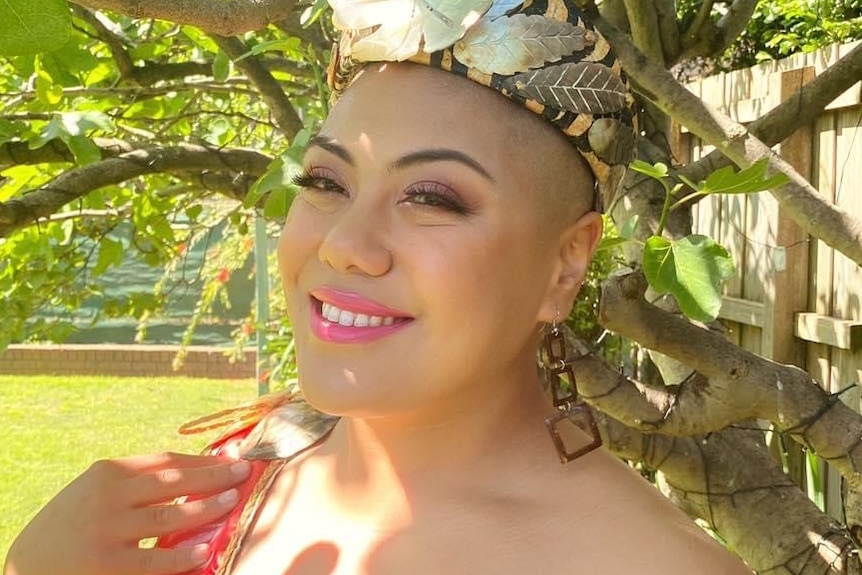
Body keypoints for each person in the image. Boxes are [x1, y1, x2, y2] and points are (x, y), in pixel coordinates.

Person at [5, 1, 753, 574]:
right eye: (326, 181)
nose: (343, 245)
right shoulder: (229, 484)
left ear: (565, 264)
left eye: (432, 198)